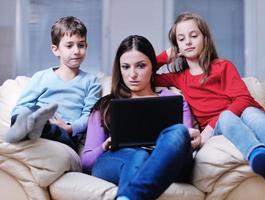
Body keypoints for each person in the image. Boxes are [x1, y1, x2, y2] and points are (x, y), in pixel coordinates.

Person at [156, 12, 265, 186]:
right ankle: (258, 155)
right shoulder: (179, 77)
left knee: (251, 112)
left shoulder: (223, 66)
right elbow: (146, 75)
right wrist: (165, 56)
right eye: (181, 38)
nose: (188, 41)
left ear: (205, 39)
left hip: (239, 115)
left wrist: (210, 125)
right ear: (177, 46)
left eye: (193, 36)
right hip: (222, 126)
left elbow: (243, 98)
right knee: (226, 117)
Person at [81, 35, 201, 200]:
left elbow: (181, 147)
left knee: (179, 131)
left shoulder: (175, 101)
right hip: (119, 159)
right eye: (126, 67)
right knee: (139, 155)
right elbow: (86, 162)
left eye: (141, 66)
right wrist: (105, 146)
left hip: (166, 161)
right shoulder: (105, 106)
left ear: (153, 67)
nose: (133, 74)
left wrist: (192, 140)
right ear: (119, 69)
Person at [5, 16, 101, 152]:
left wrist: (70, 127)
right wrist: (23, 115)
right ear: (56, 49)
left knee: (52, 128)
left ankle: (39, 127)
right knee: (29, 112)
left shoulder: (91, 82)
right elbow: (22, 105)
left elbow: (89, 116)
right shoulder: (41, 77)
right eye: (69, 45)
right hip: (37, 120)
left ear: (86, 46)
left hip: (65, 135)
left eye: (81, 45)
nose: (76, 51)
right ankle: (23, 128)